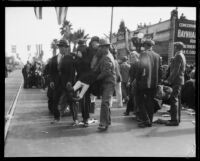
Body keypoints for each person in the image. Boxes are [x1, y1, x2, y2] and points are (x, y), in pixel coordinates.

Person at [135, 39, 162, 128]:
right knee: (150, 102)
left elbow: (140, 68)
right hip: (154, 83)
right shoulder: (157, 56)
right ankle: (149, 121)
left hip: (144, 82)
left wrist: (137, 79)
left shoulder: (144, 54)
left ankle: (145, 119)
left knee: (139, 101)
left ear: (146, 45)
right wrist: (159, 82)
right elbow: (160, 70)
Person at [96, 38, 116, 131]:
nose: (100, 48)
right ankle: (107, 121)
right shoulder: (106, 55)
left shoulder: (107, 57)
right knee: (106, 102)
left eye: (102, 47)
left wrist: (97, 78)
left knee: (105, 103)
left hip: (109, 82)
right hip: (107, 81)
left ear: (107, 47)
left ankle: (103, 123)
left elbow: (106, 72)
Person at [165, 42, 186, 126]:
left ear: (176, 47)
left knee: (174, 99)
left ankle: (174, 120)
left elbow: (176, 70)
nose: (174, 48)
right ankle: (177, 119)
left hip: (177, 80)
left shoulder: (178, 56)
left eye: (174, 47)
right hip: (179, 80)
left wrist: (169, 80)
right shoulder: (181, 55)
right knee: (177, 100)